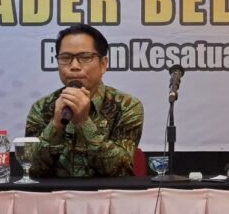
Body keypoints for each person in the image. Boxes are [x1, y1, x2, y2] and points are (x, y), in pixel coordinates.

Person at [25, 25, 144, 177]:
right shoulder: (41, 108)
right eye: (65, 58)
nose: (74, 66)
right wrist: (56, 125)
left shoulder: (127, 106)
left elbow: (121, 169)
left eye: (85, 57)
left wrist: (84, 122)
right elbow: (30, 169)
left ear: (103, 64)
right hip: (54, 192)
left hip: (106, 192)